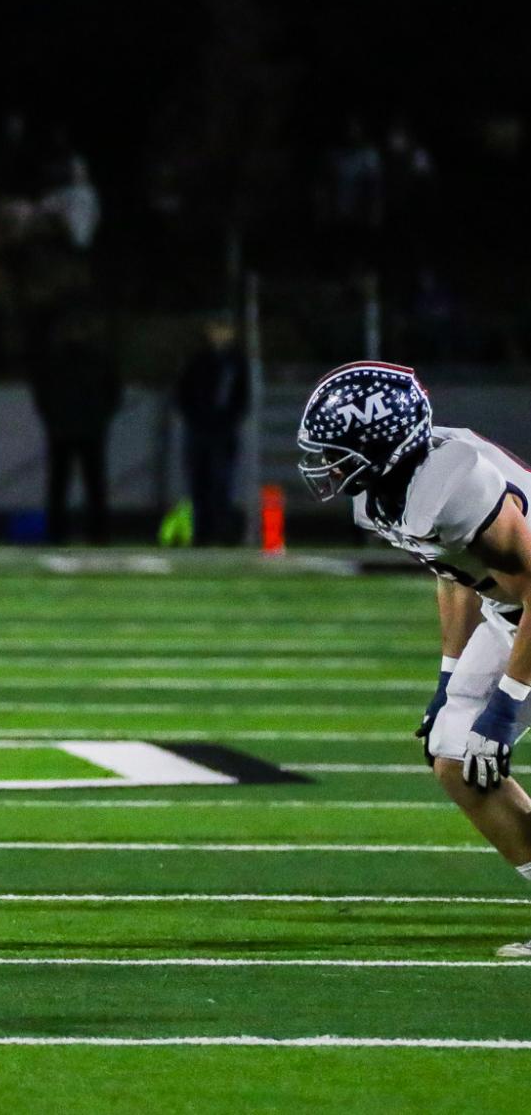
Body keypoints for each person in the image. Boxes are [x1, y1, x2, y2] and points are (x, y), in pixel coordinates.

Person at [295, 361, 531, 956]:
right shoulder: (397, 492)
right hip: (510, 614)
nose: (327, 466)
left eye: (339, 452)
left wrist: (507, 707)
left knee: (483, 742)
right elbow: (458, 578)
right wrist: (449, 681)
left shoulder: (460, 487)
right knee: (454, 754)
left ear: (383, 446)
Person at [30, 313, 123, 544]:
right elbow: (42, 393)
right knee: (78, 483)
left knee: (77, 483)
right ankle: (87, 533)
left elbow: (113, 393)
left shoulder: (61, 359)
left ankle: (73, 532)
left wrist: (54, 418)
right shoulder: (85, 359)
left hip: (74, 428)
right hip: (79, 428)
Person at [175, 314, 250, 545]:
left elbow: (242, 397)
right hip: (198, 430)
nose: (220, 335)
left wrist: (228, 421)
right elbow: (183, 392)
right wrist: (194, 418)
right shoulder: (198, 360)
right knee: (199, 482)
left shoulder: (237, 362)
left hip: (223, 431)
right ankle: (202, 533)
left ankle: (223, 532)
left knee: (222, 483)